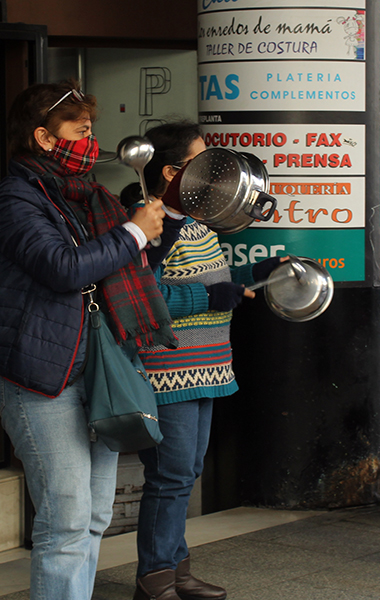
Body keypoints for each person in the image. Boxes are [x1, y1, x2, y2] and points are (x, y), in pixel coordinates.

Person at [0, 80, 173, 600]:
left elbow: (122, 266)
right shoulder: (14, 198)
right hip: (42, 378)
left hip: (97, 367)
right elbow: (62, 268)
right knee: (64, 522)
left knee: (93, 517)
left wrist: (151, 227)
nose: (91, 139)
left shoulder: (93, 196)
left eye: (92, 130)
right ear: (44, 137)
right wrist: (133, 232)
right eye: (80, 129)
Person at [122, 121, 285, 600]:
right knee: (171, 476)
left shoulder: (193, 222)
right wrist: (210, 298)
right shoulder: (148, 221)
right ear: (173, 172)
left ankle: (176, 570)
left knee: (186, 473)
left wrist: (256, 273)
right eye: (204, 164)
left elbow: (207, 276)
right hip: (167, 372)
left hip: (205, 366)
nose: (217, 173)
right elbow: (138, 299)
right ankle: (154, 581)